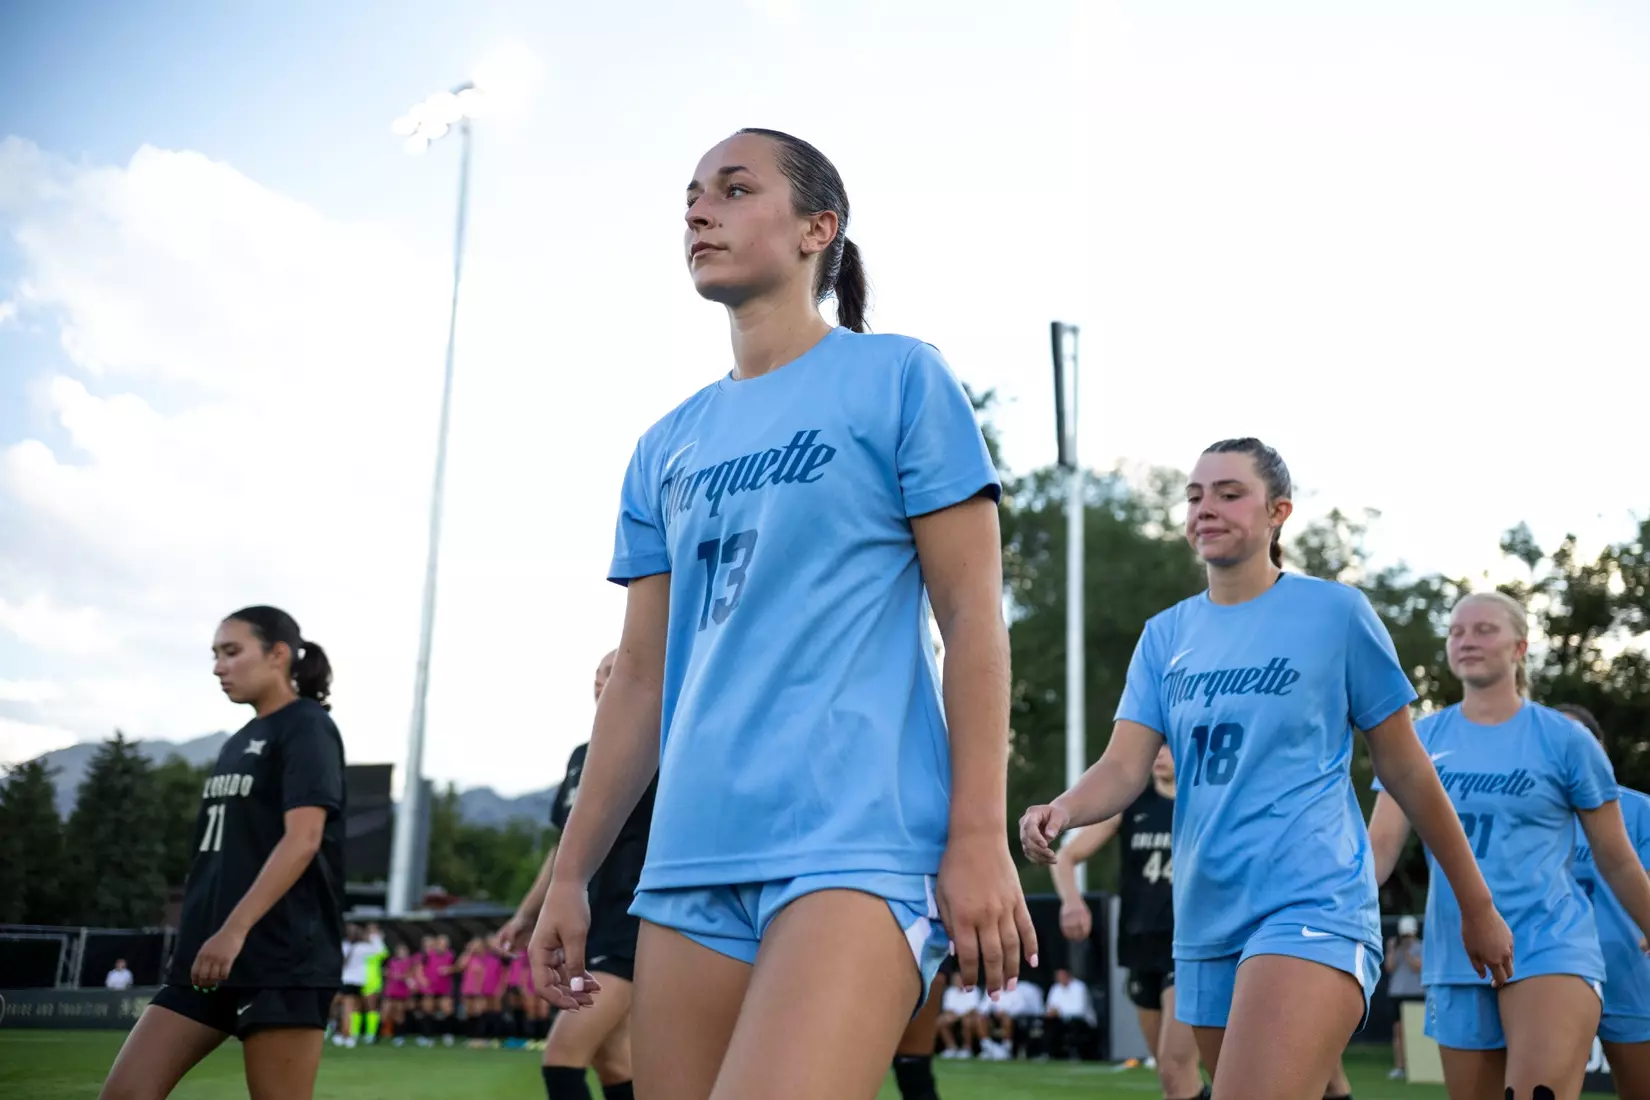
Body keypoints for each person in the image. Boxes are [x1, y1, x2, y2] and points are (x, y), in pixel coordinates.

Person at [528, 127, 1035, 1100]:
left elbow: (973, 618)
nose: (696, 209)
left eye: (732, 188)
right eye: (689, 193)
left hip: (859, 839)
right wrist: (570, 873)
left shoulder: (898, 377)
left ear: (818, 227)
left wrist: (978, 834)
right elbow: (639, 677)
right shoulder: (663, 445)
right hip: (688, 858)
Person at [1021, 438, 1513, 1100]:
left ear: (1279, 511)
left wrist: (1476, 904)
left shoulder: (1336, 615)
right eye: (1195, 496)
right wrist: (1064, 808)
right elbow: (1122, 767)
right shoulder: (1165, 636)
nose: (1206, 508)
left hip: (1312, 901)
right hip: (1203, 917)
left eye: (1229, 493)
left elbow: (1407, 772)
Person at [1368, 592, 1650, 1100]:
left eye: (1483, 630)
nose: (1467, 641)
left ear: (1520, 647)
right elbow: (1380, 850)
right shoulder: (1418, 739)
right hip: (1456, 955)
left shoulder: (1565, 741)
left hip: (1549, 945)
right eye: (1456, 631)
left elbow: (1616, 857)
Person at [99, 606, 343, 1100]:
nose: (218, 667)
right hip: (204, 959)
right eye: (215, 654)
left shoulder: (306, 725)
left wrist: (235, 929)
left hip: (280, 958)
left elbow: (303, 839)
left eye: (232, 652)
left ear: (278, 655)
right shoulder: (237, 741)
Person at [495, 649, 648, 1100]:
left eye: (614, 671)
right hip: (589, 922)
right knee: (614, 1059)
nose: (603, 680)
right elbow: (565, 847)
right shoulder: (582, 757)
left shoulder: (661, 744)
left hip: (630, 922)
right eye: (599, 672)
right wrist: (526, 915)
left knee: (562, 1056)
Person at [1054, 743, 1204, 1099]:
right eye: (1155, 748)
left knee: (1173, 1065)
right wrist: (1072, 903)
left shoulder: (1203, 804)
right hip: (1139, 945)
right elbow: (1066, 857)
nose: (1159, 755)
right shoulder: (1132, 805)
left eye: (1168, 747)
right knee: (1171, 1078)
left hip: (1187, 946)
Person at [1560, 703, 1650, 1100]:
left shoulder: (1638, 809)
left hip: (1628, 970)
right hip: (1552, 968)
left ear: (1600, 748)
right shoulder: (1532, 815)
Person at [1384, 915, 1424, 1079]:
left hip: (1416, 994)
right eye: (1404, 935)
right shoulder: (1396, 948)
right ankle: (1399, 1067)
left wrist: (1407, 952)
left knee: (1417, 1033)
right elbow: (1389, 968)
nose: (1406, 938)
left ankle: (1419, 1066)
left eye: (1408, 935)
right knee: (1398, 1032)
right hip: (1398, 994)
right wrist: (1391, 950)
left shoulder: (1422, 947)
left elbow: (1417, 967)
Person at [333, 923, 372, 1047]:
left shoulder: (356, 946)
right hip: (351, 981)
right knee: (347, 1008)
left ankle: (346, 1035)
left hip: (350, 981)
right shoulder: (357, 946)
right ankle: (344, 1033)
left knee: (348, 1009)